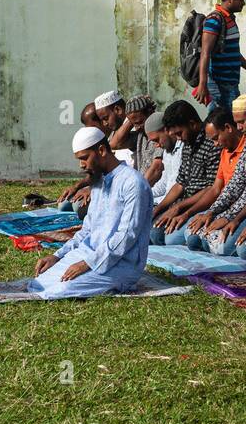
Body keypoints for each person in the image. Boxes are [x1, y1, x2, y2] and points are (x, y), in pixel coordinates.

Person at [29, 127, 153, 299]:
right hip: (88, 254)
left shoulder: (133, 183)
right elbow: (87, 231)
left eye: (84, 158)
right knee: (38, 284)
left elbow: (126, 236)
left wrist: (87, 263)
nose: (81, 165)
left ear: (101, 150)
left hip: (121, 265)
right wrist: (57, 256)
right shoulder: (98, 182)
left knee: (58, 291)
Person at [188, 95, 246, 255]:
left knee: (224, 245)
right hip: (243, 208)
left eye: (241, 122)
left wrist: (229, 217)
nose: (239, 127)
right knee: (195, 235)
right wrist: (212, 212)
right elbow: (236, 182)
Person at [168, 107, 245, 246]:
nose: (216, 144)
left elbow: (243, 191)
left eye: (216, 138)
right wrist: (209, 213)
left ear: (228, 127)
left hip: (239, 209)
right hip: (220, 206)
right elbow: (216, 189)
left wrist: (223, 215)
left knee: (237, 248)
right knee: (190, 236)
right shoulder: (224, 151)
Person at [149, 100, 221, 245]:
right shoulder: (187, 145)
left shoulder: (212, 143)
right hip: (185, 204)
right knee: (154, 231)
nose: (178, 138)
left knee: (170, 239)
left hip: (203, 205)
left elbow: (211, 189)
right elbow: (180, 184)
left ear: (193, 123)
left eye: (179, 133)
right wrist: (159, 209)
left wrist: (180, 209)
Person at [194, 0, 246, 112]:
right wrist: (202, 84)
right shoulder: (214, 19)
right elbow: (205, 53)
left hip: (230, 83)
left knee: (227, 122)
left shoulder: (229, 19)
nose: (243, 3)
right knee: (221, 123)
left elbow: (234, 53)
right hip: (219, 85)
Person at [144, 111, 181, 201]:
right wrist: (144, 195)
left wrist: (157, 204)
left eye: (157, 140)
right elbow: (164, 184)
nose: (157, 145)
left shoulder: (183, 148)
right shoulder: (166, 152)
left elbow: (178, 190)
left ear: (166, 130)